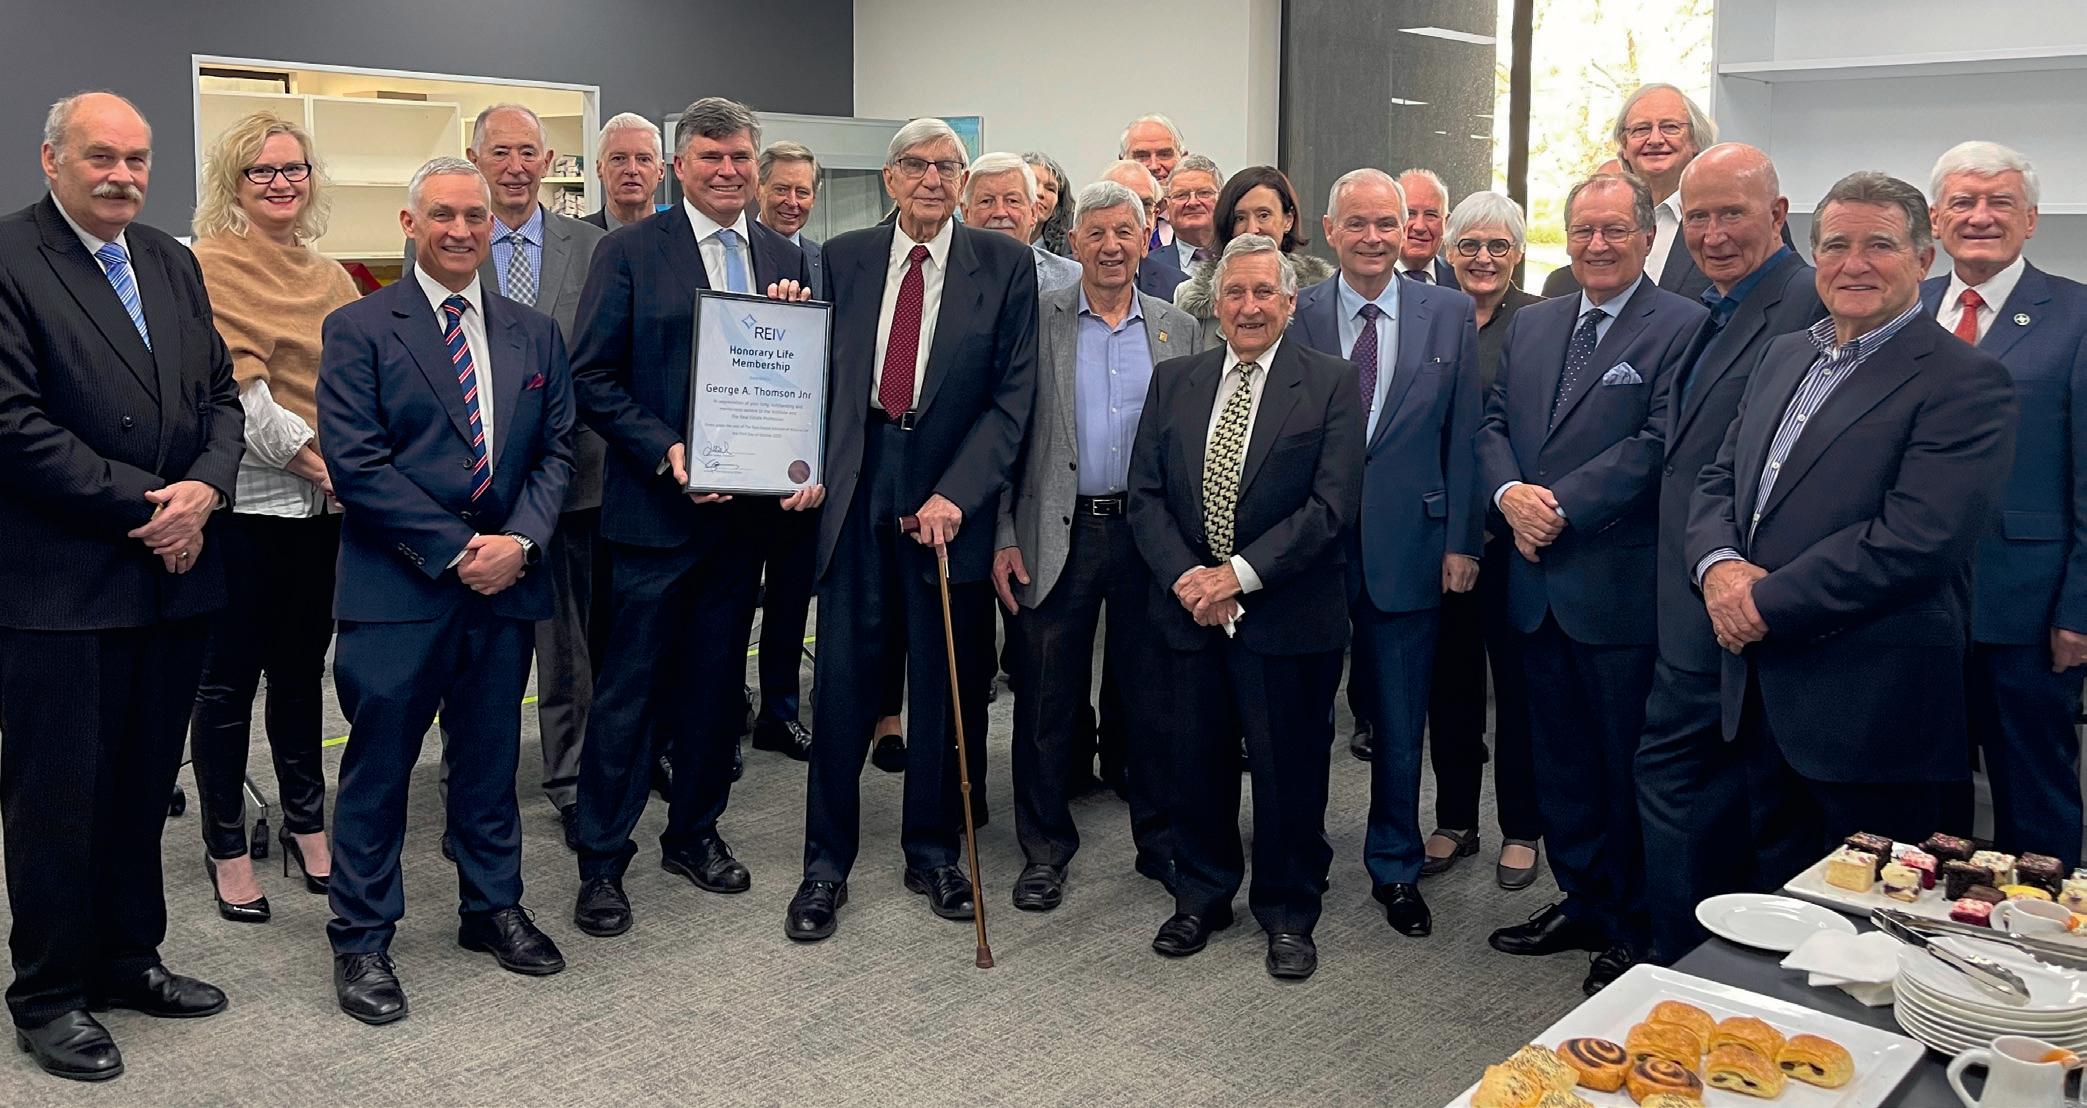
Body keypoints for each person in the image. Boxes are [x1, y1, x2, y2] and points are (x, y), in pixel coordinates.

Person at [0, 90, 241, 1082]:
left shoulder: (169, 261)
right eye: (101, 156)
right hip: (64, 584)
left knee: (144, 787)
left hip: (173, 580)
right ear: (51, 158)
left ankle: (128, 956)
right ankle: (50, 993)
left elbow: (221, 395)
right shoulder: (10, 258)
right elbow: (13, 424)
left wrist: (207, 489)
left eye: (137, 159)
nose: (123, 175)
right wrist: (156, 506)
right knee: (58, 798)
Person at [1688, 171, 2015, 876]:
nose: (1854, 264)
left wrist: (1757, 602)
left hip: (1871, 711)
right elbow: (1720, 477)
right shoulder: (1785, 354)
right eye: (1836, 245)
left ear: (1923, 260)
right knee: (1770, 900)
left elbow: (1915, 540)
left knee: (1871, 916)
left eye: (1879, 245)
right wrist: (1717, 567)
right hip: (1758, 693)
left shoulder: (1966, 381)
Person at [318, 156, 576, 1025]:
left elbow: (555, 453)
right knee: (379, 770)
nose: (460, 230)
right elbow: (357, 465)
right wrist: (459, 547)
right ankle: (362, 937)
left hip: (504, 586)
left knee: (490, 759)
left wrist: (521, 543)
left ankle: (491, 906)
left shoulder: (534, 333)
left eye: (474, 216)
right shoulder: (359, 327)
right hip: (398, 587)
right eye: (442, 215)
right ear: (410, 223)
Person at [565, 98, 816, 940]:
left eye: (740, 156)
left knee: (714, 691)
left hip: (744, 525)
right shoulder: (631, 251)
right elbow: (590, 377)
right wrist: (668, 449)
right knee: (629, 697)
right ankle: (602, 860)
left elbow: (798, 379)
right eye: (710, 157)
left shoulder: (785, 255)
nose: (727, 170)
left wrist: (799, 462)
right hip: (654, 518)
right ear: (680, 167)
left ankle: (694, 833)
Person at [787, 118, 1037, 943]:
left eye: (947, 166)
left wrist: (957, 494)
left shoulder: (1003, 265)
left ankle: (931, 852)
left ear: (962, 182)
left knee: (942, 685)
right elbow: (809, 375)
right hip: (857, 485)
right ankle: (825, 866)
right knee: (843, 688)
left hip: (947, 496)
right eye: (916, 166)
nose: (933, 179)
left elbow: (1012, 399)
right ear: (889, 178)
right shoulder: (842, 258)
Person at [1474, 172, 1707, 996]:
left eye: (1613, 230)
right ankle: (1581, 900)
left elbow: (1658, 442)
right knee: (1559, 763)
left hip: (1613, 589)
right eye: (1583, 230)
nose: (1597, 245)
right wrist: (1510, 495)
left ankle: (1634, 923)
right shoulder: (1536, 322)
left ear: (1645, 237)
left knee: (1621, 765)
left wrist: (1558, 507)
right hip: (1534, 585)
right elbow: (1493, 421)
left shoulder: (1681, 324)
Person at [1128, 234, 1364, 980]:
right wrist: (1189, 581)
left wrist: (1234, 576)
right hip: (1189, 614)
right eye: (1236, 292)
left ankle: (1289, 910)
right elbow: (1146, 497)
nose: (1250, 306)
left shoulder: (1330, 382)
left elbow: (1330, 508)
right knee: (1193, 762)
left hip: (1287, 614)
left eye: (1265, 293)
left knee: (1288, 770)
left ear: (1290, 304)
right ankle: (1201, 894)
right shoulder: (1175, 379)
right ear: (1216, 304)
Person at [1633, 144, 1824, 965]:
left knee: (1709, 797)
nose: (1712, 234)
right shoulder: (1710, 304)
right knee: (1694, 795)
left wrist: (1728, 576)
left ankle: (1689, 966)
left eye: (1732, 214)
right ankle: (1682, 961)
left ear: (1776, 215)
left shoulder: (1809, 304)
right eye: (1698, 216)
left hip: (1750, 603)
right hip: (1693, 596)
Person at [994, 180, 1202, 911]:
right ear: (1074, 242)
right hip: (1057, 532)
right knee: (1045, 702)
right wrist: (1001, 534)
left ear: (1146, 240)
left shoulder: (1180, 329)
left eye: (1125, 233)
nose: (1111, 247)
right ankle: (1044, 849)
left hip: (1151, 536)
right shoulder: (1036, 319)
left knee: (1153, 698)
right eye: (1097, 234)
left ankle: (1161, 843)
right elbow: (1006, 434)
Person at [1286, 169, 1481, 940]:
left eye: (1386, 224)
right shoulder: (1298, 309)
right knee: (1304, 717)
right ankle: (1297, 856)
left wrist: (1462, 539)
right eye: (1357, 224)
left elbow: (1463, 433)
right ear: (1330, 230)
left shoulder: (1448, 312)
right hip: (1312, 546)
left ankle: (1395, 864)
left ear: (1407, 232)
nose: (1372, 238)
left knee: (1400, 722)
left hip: (1412, 544)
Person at [186, 111, 360, 923]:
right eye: (262, 170)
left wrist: (346, 476)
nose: (282, 183)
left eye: (294, 169)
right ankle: (226, 845)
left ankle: (306, 824)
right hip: (247, 508)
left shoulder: (331, 277)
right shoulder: (207, 266)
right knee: (226, 687)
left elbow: (359, 383)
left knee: (299, 677)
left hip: (321, 515)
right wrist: (325, 467)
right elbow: (239, 398)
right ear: (234, 182)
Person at [1921, 142, 2087, 869]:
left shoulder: (2076, 313)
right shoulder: (1904, 305)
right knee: (1923, 796)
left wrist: (2079, 609)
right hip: (1911, 603)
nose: (1979, 217)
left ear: (2031, 219)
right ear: (1935, 218)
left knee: (2033, 799)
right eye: (1962, 202)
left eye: (2000, 203)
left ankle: (2040, 934)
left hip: (2027, 610)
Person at [1415, 192, 1545, 889]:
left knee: (1518, 691)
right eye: (1468, 245)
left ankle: (1521, 827)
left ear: (1517, 253)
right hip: (1441, 537)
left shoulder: (1541, 322)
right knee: (1452, 687)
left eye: (1498, 245)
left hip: (1512, 539)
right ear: (1447, 251)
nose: (1483, 258)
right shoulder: (1429, 316)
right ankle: (1456, 819)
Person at [742, 138, 828, 764]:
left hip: (802, 463)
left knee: (792, 596)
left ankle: (779, 711)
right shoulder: (731, 257)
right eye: (782, 189)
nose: (793, 201)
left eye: (804, 191)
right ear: (758, 189)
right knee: (730, 598)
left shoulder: (825, 261)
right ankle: (724, 711)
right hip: (737, 460)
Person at [1548, 85, 1732, 301]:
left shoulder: (1724, 221)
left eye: (1670, 127)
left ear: (1695, 141)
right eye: (1641, 129)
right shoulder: (1596, 223)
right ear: (1624, 146)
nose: (1655, 139)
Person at [1174, 165, 1334, 347]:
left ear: (1288, 220)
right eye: (1240, 218)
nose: (1252, 229)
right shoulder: (1190, 298)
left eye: (1263, 215)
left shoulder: (1322, 295)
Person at [964, 151, 1080, 292]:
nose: (1000, 212)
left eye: (1012, 201)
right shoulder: (945, 271)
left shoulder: (1071, 277)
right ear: (966, 212)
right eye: (986, 201)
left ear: (1033, 212)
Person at [1099, 159, 1188, 301]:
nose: (1136, 216)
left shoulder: (1179, 288)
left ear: (1156, 215)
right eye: (1123, 204)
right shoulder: (1066, 276)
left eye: (1145, 205)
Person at [583, 112, 666, 230]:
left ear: (661, 171)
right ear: (599, 168)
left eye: (643, 159)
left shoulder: (684, 236)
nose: (632, 170)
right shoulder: (576, 238)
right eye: (619, 158)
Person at [1119, 113, 1185, 248]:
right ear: (1122, 162)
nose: (1154, 166)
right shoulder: (1102, 221)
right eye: (1142, 156)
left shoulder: (1204, 220)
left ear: (1183, 159)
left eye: (1164, 154)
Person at [1394, 168, 1459, 288]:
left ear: (1446, 223)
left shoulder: (1461, 281)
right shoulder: (1366, 278)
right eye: (1410, 214)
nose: (1420, 227)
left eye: (1431, 215)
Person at [1162, 154, 1222, 273]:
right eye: (1181, 195)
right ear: (1167, 206)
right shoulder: (1146, 266)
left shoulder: (1242, 257)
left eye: (1204, 193)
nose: (1193, 202)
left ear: (1222, 199)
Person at [1022, 151, 1074, 258]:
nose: (1040, 193)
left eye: (1050, 189)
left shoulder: (1065, 261)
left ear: (1057, 206)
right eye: (1032, 183)